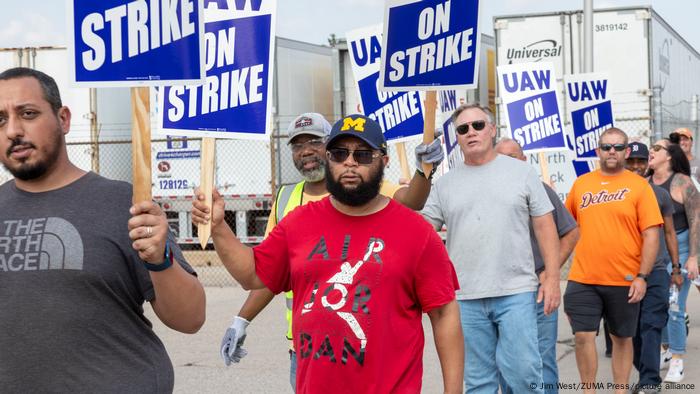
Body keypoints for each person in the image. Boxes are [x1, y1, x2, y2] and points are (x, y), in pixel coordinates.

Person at [193, 114, 463, 393]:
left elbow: (444, 314)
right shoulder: (298, 222)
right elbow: (252, 274)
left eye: (362, 155)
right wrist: (218, 227)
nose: (349, 162)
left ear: (384, 161)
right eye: (339, 153)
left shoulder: (416, 233)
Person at [0, 67, 206, 392]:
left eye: (28, 113)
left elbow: (190, 318)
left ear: (63, 119)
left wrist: (160, 259)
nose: (13, 130)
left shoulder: (122, 202)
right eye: (0, 120)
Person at [421, 104, 561, 393]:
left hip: (517, 291)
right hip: (465, 296)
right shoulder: (445, 184)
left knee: (524, 376)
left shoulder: (522, 172)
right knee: (479, 383)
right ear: (456, 138)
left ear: (492, 129)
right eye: (463, 129)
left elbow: (545, 226)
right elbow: (422, 230)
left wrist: (552, 277)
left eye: (478, 125)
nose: (471, 132)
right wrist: (419, 180)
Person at [564, 128, 661, 394]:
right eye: (606, 147)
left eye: (618, 148)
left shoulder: (640, 186)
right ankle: (589, 391)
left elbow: (651, 234)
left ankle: (620, 390)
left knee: (622, 338)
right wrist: (551, 272)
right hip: (583, 277)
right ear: (598, 151)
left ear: (626, 152)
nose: (611, 152)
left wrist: (642, 276)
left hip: (625, 279)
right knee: (582, 336)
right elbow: (566, 228)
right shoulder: (581, 184)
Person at [495, 138, 579, 394]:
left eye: (513, 157)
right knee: (506, 361)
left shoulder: (540, 190)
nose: (507, 163)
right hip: (499, 291)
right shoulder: (485, 194)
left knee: (541, 359)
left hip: (537, 290)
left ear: (523, 161)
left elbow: (571, 232)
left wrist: (550, 272)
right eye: (501, 158)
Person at [626, 141, 680, 392]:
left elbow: (669, 232)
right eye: (631, 161)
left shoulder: (659, 194)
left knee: (652, 324)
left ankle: (649, 382)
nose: (636, 166)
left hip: (656, 270)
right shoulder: (615, 195)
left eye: (640, 161)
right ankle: (644, 373)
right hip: (623, 273)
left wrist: (676, 268)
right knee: (632, 331)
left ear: (647, 162)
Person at [647, 138, 700, 383]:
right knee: (659, 305)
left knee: (675, 306)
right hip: (656, 252)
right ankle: (666, 349)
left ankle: (677, 359)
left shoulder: (682, 182)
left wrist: (693, 257)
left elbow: (696, 221)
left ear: (669, 155)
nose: (651, 151)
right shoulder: (644, 183)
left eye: (656, 148)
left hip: (680, 249)